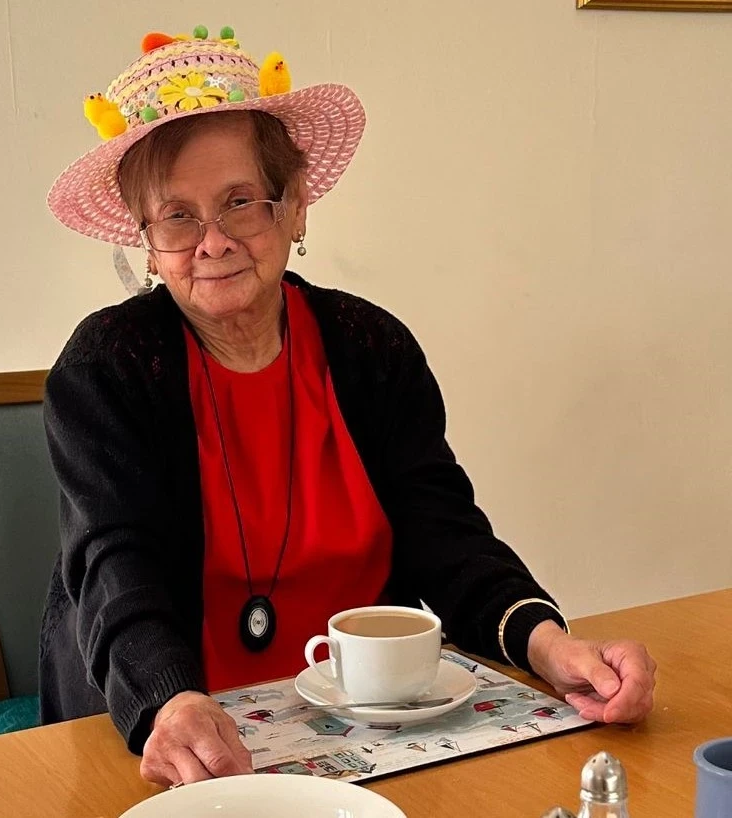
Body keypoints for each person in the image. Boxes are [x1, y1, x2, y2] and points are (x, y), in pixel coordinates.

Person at [39, 27, 657, 788]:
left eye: (242, 203)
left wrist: (548, 645)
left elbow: (444, 532)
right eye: (177, 217)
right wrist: (171, 703)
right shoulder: (107, 366)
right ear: (147, 240)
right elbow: (112, 562)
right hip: (179, 737)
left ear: (294, 207)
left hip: (372, 727)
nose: (214, 241)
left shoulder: (371, 348)